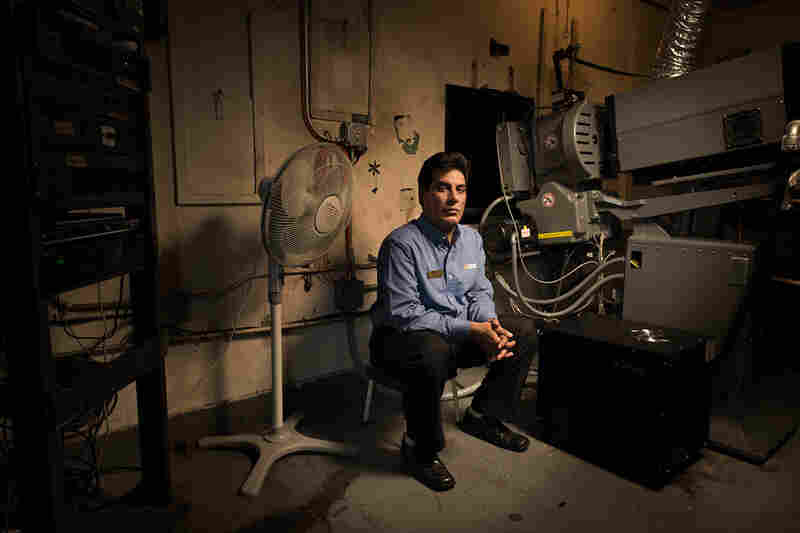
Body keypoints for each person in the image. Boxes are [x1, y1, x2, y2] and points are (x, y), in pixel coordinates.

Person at [369, 151, 537, 492]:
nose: (453, 198)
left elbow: (479, 292)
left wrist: (489, 324)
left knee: (522, 331)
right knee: (431, 350)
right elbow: (406, 314)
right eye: (443, 188)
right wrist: (471, 330)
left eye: (460, 190)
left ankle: (482, 417)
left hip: (453, 337)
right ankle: (419, 448)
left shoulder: (472, 240)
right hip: (400, 341)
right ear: (423, 194)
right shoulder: (401, 245)